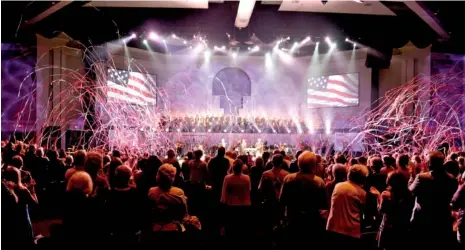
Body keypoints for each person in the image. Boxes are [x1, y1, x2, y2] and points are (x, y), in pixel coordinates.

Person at [409, 151, 458, 249]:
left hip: (424, 219)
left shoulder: (421, 177)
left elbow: (411, 191)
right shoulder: (452, 178)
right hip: (443, 218)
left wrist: (411, 178)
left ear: (428, 163)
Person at [280, 151, 328, 246]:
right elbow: (324, 204)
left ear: (299, 163)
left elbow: (282, 200)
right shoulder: (319, 182)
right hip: (312, 222)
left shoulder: (288, 179)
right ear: (313, 165)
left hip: (293, 219)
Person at [326, 164, 369, 250]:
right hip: (350, 231)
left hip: (333, 227)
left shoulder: (338, 186)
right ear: (362, 178)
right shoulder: (362, 193)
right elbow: (365, 211)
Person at [377, 172, 414, 250]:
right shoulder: (409, 194)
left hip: (389, 227)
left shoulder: (386, 194)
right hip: (404, 226)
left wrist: (378, 197)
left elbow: (381, 210)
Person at [221, 159, 252, 241]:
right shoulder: (247, 178)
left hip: (232, 205)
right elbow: (249, 190)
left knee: (232, 227)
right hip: (245, 205)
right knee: (242, 227)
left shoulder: (228, 178)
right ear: (242, 168)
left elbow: (224, 194)